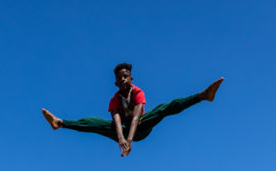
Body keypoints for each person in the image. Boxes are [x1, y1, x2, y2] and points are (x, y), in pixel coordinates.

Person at [42, 63, 223, 157]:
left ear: (131, 78)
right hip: (124, 131)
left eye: (125, 76)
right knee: (95, 123)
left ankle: (202, 95)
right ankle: (60, 123)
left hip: (141, 128)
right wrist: (121, 139)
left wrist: (130, 141)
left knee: (162, 109)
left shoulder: (137, 92)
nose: (122, 80)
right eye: (119, 78)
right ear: (115, 83)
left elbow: (136, 117)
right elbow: (117, 120)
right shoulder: (114, 99)